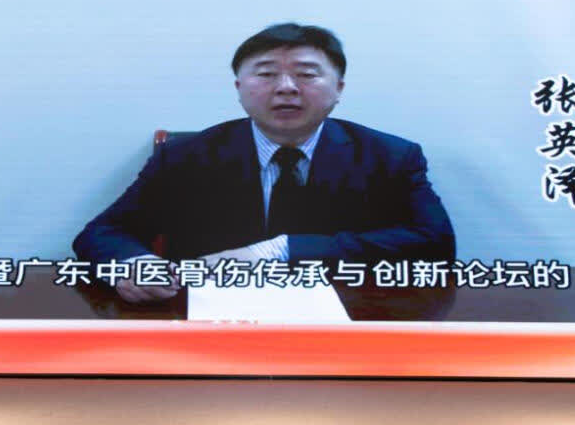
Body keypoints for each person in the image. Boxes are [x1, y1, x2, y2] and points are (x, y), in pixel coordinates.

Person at [72, 23, 456, 320]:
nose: (286, 87)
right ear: (239, 87)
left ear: (339, 88)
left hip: (347, 327)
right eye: (266, 74)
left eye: (307, 74)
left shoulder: (389, 156)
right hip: (207, 329)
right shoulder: (184, 156)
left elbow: (435, 244)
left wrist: (280, 250)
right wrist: (133, 266)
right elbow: (103, 232)